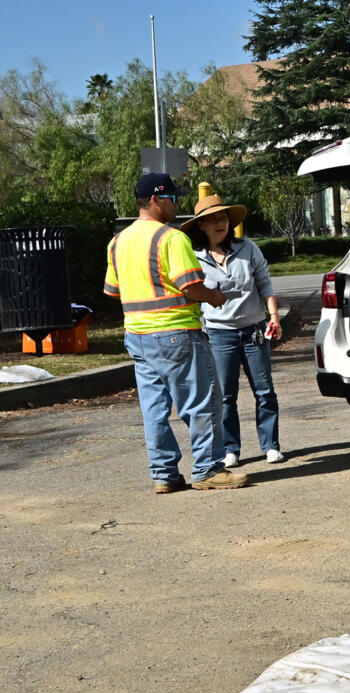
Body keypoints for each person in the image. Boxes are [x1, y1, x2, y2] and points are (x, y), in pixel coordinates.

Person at [103, 173, 249, 494]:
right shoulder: (170, 239)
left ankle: (164, 474)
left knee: (154, 410)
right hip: (176, 333)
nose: (176, 204)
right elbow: (191, 287)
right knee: (202, 402)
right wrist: (216, 296)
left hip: (138, 337)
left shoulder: (118, 242)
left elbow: (113, 291)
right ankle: (207, 469)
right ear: (156, 200)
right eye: (171, 198)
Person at [181, 195, 285, 467]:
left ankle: (270, 445)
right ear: (201, 225)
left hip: (254, 330)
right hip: (218, 334)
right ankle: (230, 450)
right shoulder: (194, 257)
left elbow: (265, 283)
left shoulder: (248, 248)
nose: (220, 224)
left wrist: (274, 316)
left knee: (264, 391)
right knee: (225, 396)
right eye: (213, 219)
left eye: (223, 218)